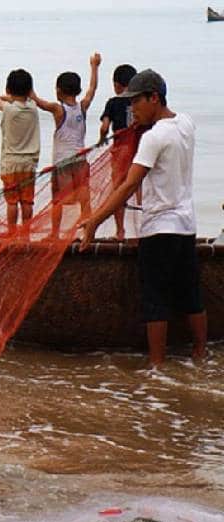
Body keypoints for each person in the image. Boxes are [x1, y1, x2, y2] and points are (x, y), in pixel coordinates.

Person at [80, 70, 206, 366]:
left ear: (154, 98)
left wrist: (95, 221)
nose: (132, 109)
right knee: (190, 294)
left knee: (155, 299)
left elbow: (128, 184)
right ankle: (201, 354)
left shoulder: (154, 137)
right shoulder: (186, 124)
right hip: (186, 226)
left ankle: (156, 366)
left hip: (159, 229)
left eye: (136, 102)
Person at [31, 53, 101, 237]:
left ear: (59, 90)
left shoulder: (58, 109)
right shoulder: (82, 107)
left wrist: (30, 92)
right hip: (80, 158)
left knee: (58, 199)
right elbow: (92, 89)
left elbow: (40, 104)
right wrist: (95, 67)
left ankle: (55, 233)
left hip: (62, 162)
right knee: (84, 197)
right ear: (77, 90)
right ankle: (88, 231)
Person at [0, 69, 41, 235]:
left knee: (12, 202)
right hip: (29, 164)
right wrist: (5, 96)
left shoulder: (9, 110)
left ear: (8, 90)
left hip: (11, 164)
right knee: (27, 201)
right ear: (29, 91)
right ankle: (26, 233)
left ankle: (12, 232)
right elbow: (12, 99)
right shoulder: (33, 108)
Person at [97, 63, 140, 240]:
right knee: (139, 189)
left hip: (121, 151)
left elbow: (105, 127)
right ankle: (144, 228)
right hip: (139, 150)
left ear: (116, 85)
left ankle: (120, 231)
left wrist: (101, 139)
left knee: (119, 190)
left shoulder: (113, 103)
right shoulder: (138, 101)